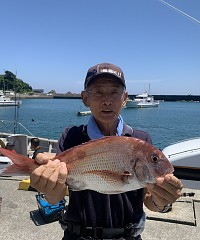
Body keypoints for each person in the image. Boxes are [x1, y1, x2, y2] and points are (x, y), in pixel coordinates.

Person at [30, 63, 183, 240]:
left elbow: (148, 198)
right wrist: (47, 188)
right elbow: (56, 197)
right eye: (98, 92)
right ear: (85, 98)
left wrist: (162, 201)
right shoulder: (71, 136)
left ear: (124, 98)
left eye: (114, 92)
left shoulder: (142, 140)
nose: (107, 100)